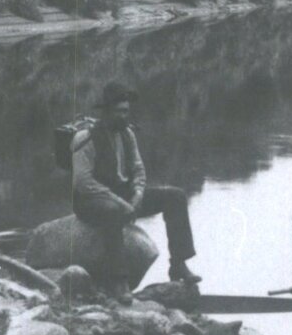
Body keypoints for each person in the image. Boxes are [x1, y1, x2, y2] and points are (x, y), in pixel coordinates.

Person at [70, 81, 199, 287]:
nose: (124, 116)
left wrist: (137, 194)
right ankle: (119, 280)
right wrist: (121, 203)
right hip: (91, 201)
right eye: (119, 111)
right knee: (113, 212)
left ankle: (178, 264)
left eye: (127, 111)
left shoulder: (127, 134)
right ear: (107, 112)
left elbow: (138, 169)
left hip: (122, 196)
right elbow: (83, 182)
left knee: (175, 197)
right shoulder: (85, 138)